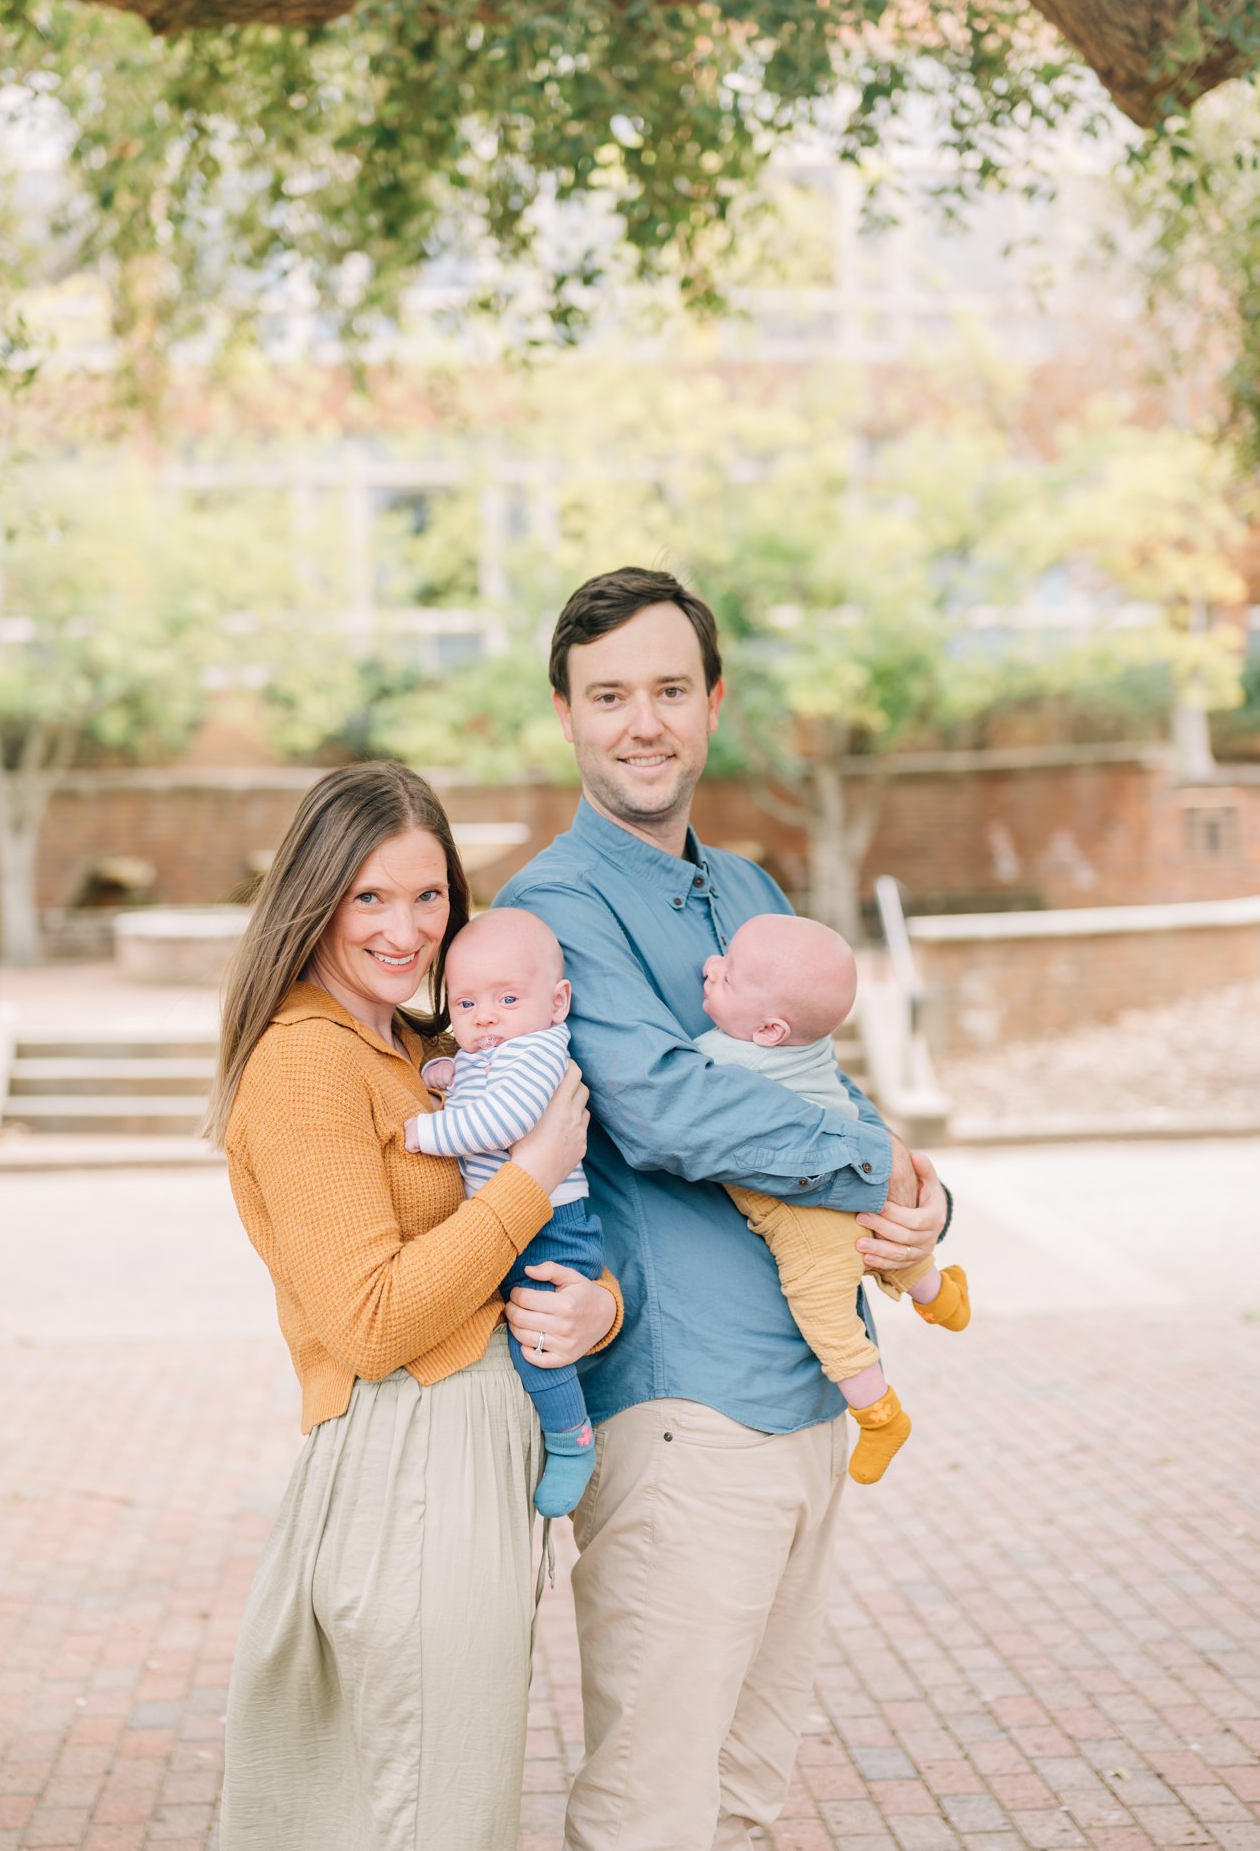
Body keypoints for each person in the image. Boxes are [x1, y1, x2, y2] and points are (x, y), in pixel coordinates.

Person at [495, 565, 951, 1851]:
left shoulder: (748, 887)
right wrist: (871, 1164)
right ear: (566, 714)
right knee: (655, 1808)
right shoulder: (554, 907)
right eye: (609, 694)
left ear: (712, 701)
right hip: (682, 1417)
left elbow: (827, 1079)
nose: (642, 720)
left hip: (809, 1398)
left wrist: (927, 1201)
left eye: (669, 688)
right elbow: (666, 1111)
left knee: (746, 1800)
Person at [207, 762, 621, 1851]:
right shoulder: (305, 1063)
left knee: (443, 1796)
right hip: (408, 1459)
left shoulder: (429, 1055)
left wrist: (598, 1306)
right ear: (316, 897)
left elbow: (543, 1238)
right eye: (370, 897)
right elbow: (374, 1320)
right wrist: (534, 1173)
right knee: (425, 1808)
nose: (406, 929)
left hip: (467, 1454)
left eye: (429, 895)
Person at [699, 910, 970, 1485]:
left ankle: (878, 1413)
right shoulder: (809, 1045)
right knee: (886, 1239)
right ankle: (940, 1295)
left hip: (802, 1211)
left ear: (769, 1029)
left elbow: (670, 1100)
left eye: (725, 977)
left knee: (821, 1305)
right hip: (851, 1169)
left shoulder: (722, 1056)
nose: (708, 966)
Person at [404, 906, 605, 1516]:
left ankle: (571, 1439)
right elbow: (476, 1074)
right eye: (465, 1005)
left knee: (534, 1338)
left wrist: (425, 1131)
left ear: (557, 1000)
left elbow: (504, 1121)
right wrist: (449, 1070)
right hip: (522, 1217)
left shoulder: (538, 1050)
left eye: (507, 998)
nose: (485, 1016)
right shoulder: (506, 1046)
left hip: (551, 1230)